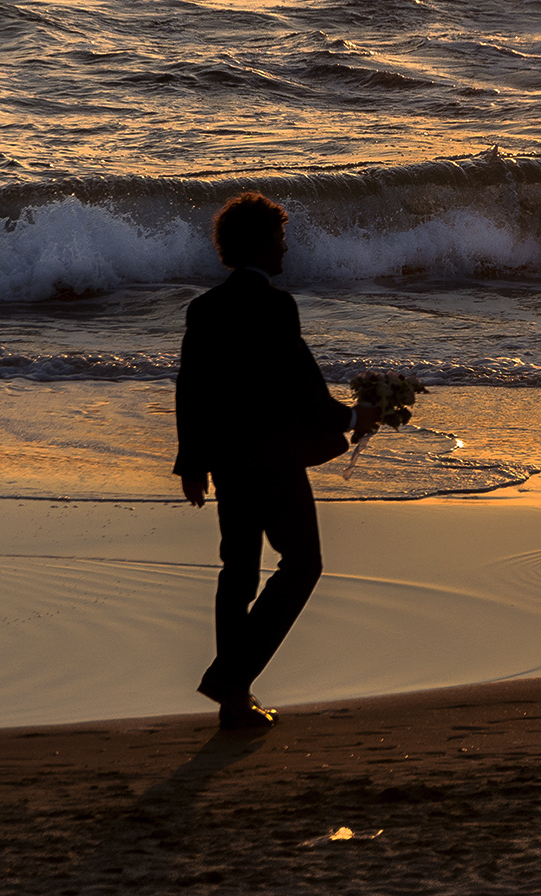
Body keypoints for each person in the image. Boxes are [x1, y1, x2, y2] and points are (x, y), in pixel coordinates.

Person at [173, 193, 377, 729]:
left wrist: (192, 464)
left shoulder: (205, 308)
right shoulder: (275, 306)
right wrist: (354, 421)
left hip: (228, 461)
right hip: (273, 460)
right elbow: (304, 389)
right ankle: (231, 678)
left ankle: (233, 704)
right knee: (302, 564)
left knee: (237, 572)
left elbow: (190, 391)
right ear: (263, 243)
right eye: (281, 237)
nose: (286, 247)